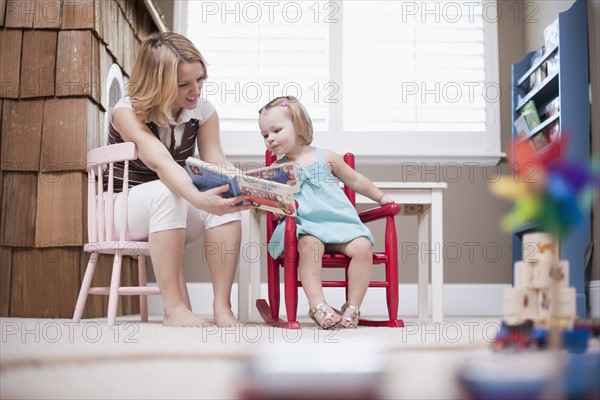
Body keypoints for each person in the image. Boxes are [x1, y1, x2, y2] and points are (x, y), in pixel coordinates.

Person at [108, 32, 252, 327]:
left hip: (170, 209)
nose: (195, 91)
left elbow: (217, 163)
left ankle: (222, 307)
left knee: (223, 197)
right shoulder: (127, 112)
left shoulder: (203, 112)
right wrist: (198, 198)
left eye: (200, 79)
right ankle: (173, 308)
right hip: (121, 209)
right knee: (167, 190)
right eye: (184, 84)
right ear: (158, 84)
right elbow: (161, 163)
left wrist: (254, 188)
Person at [258, 96, 394, 329]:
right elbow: (276, 202)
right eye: (264, 135)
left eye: (276, 130)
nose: (270, 139)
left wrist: (381, 197)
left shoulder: (326, 156)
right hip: (307, 226)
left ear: (299, 125)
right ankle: (318, 305)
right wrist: (278, 210)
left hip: (340, 224)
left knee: (363, 247)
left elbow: (355, 180)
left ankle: (352, 306)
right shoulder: (277, 168)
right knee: (310, 247)